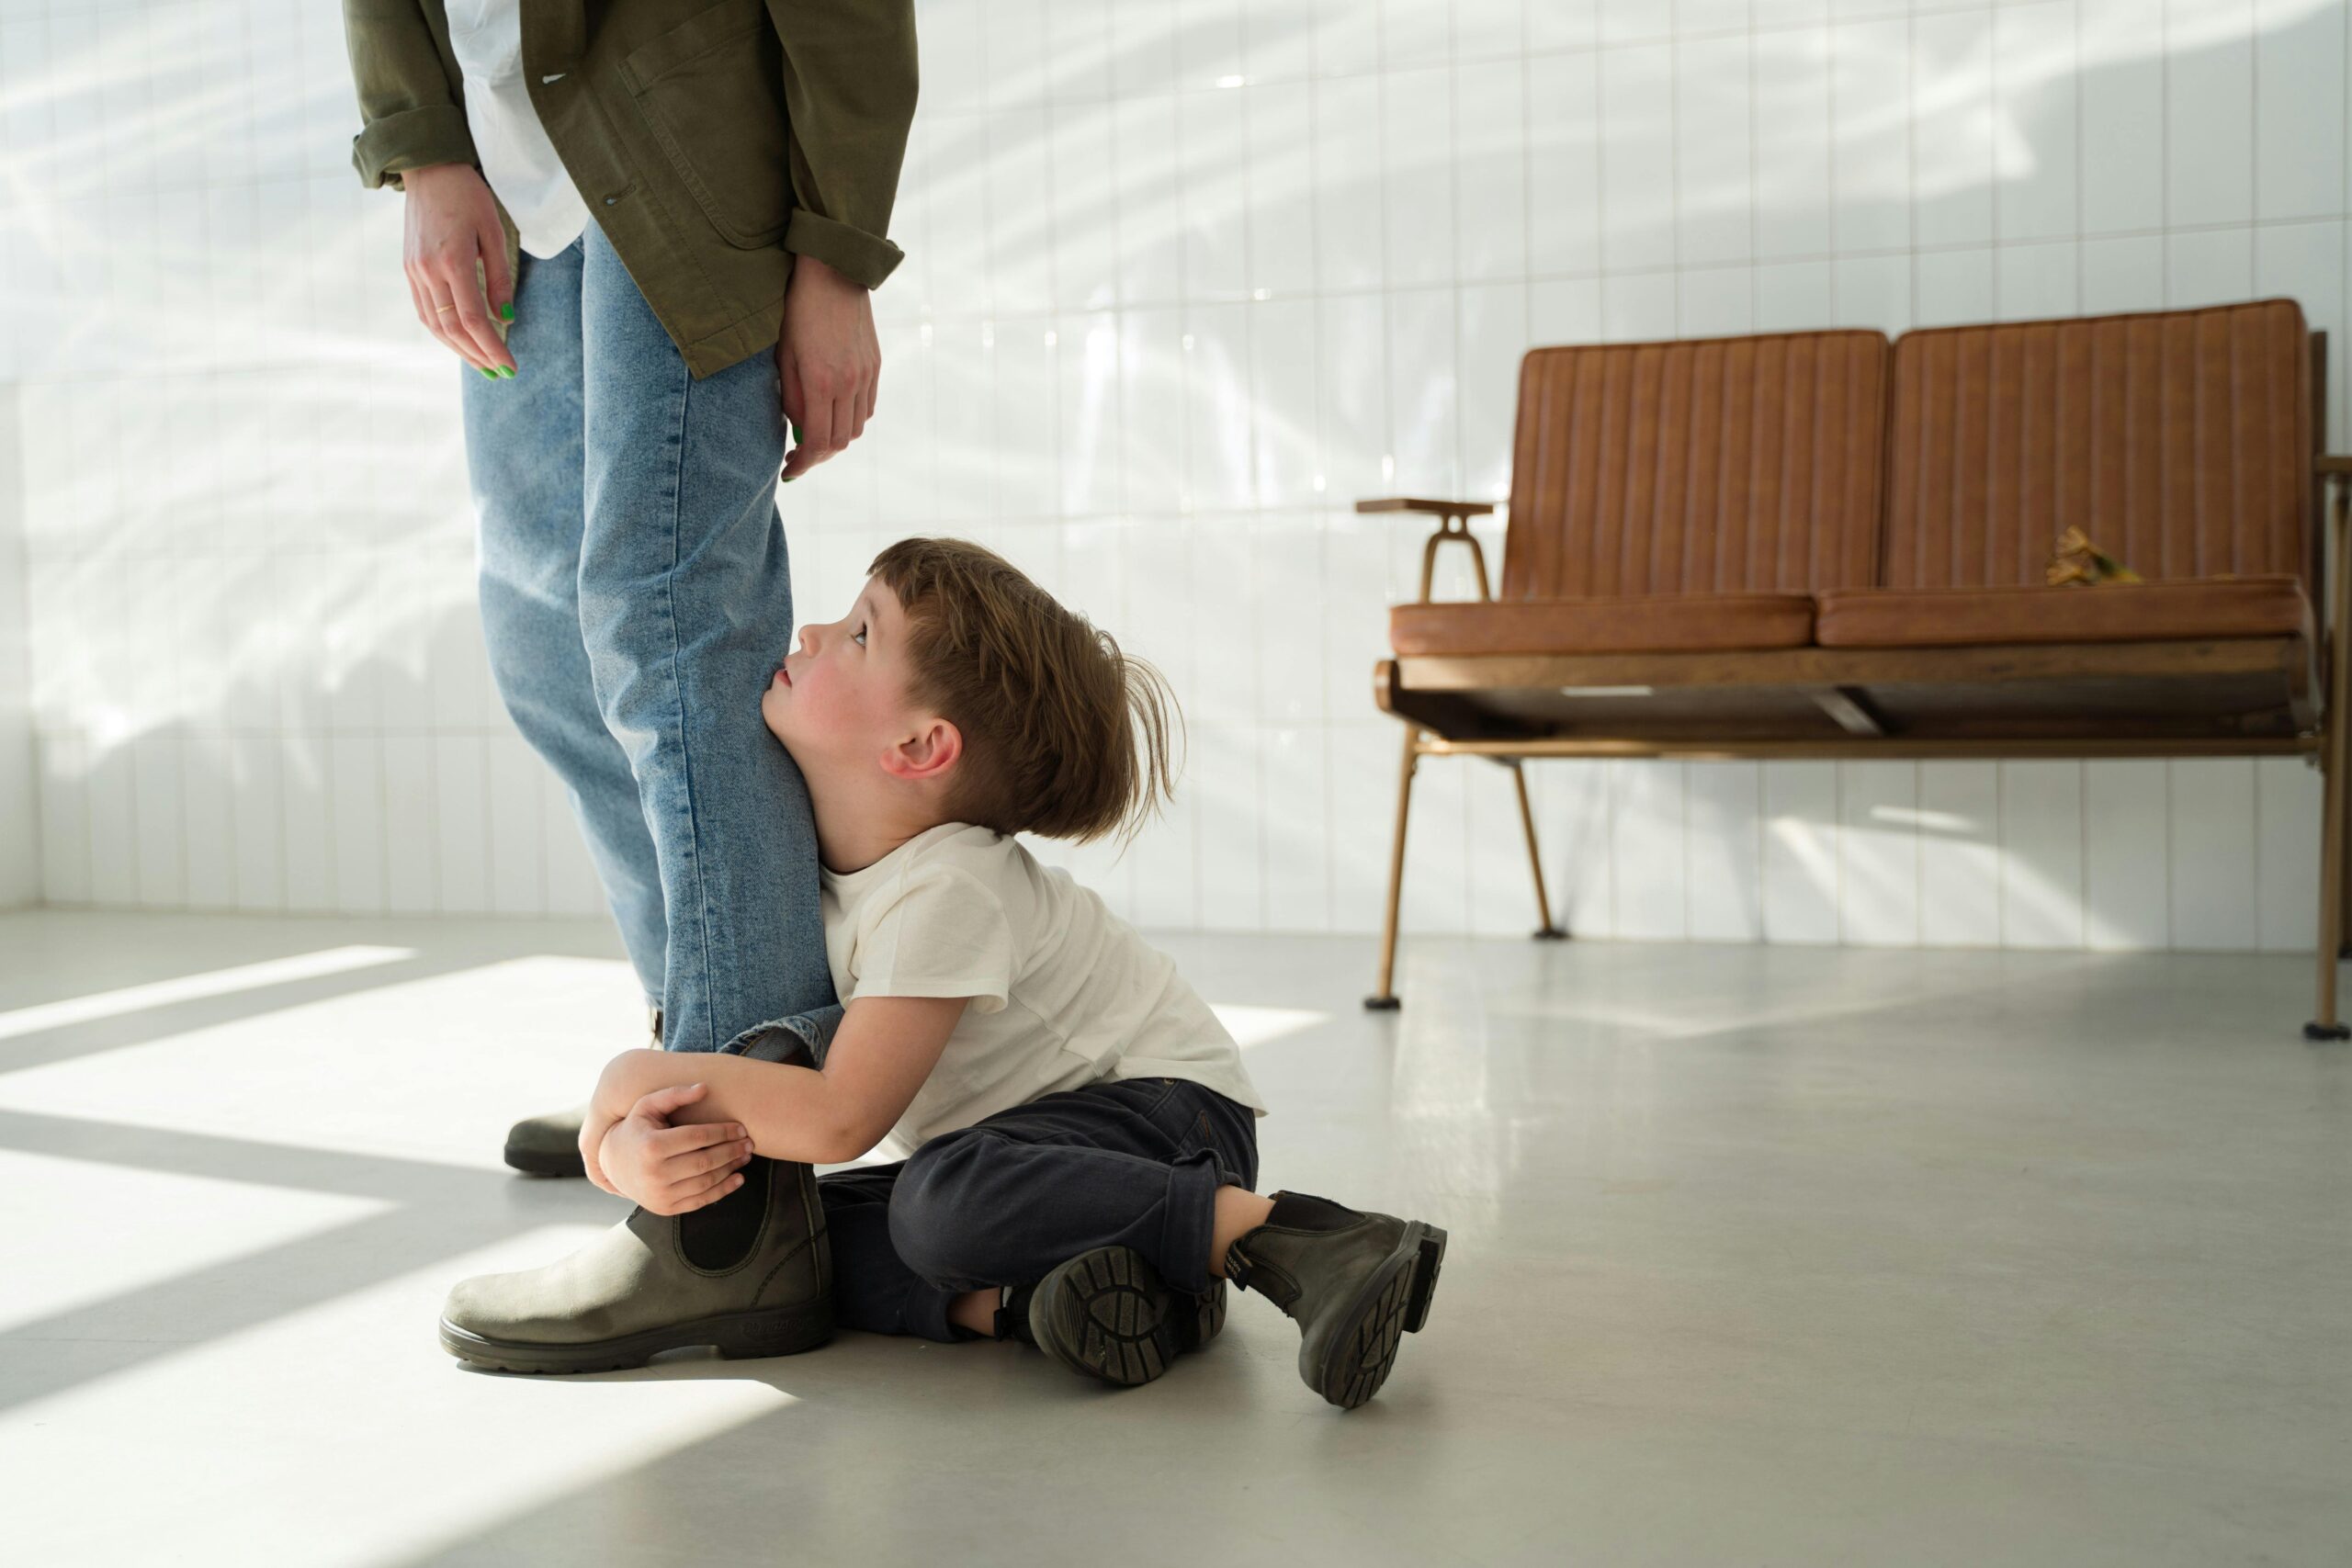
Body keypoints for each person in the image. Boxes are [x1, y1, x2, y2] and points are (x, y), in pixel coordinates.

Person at [438, 539, 1451, 1408]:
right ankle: (1062, 1298)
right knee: (798, 1241)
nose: (809, 635)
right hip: (1034, 1148)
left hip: (1166, 1121)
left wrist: (626, 1089)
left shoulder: (948, 889)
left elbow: (840, 1119)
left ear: (920, 746)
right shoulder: (820, 852)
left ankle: (1301, 1241)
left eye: (859, 634)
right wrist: (628, 1157)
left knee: (939, 1200)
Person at [338, 1, 914, 1179]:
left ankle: (742, 1138)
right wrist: (427, 152)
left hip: (684, 155)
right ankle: (691, 1072)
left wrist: (835, 253)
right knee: (548, 651)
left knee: (669, 632)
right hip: (507, 186)